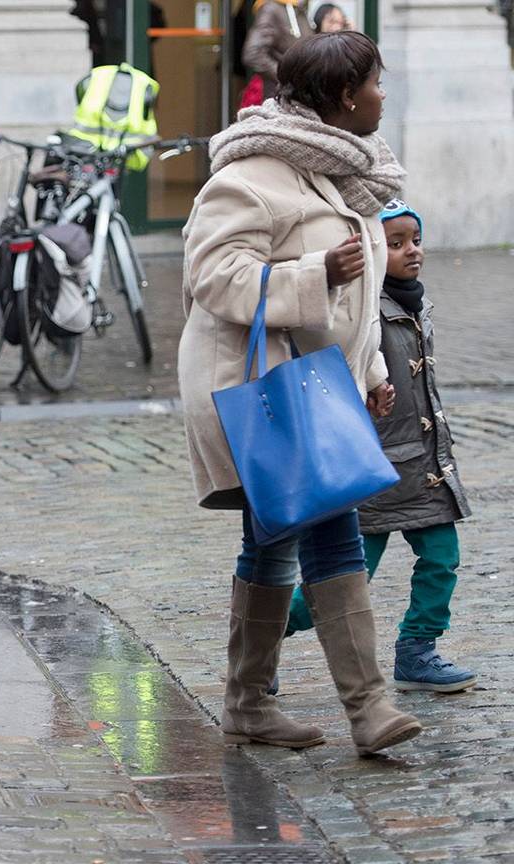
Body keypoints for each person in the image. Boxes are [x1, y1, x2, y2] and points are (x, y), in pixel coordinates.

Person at [178, 32, 422, 755]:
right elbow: (212, 276)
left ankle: (247, 702)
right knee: (330, 532)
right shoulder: (252, 173)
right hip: (265, 393)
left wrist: (371, 376)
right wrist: (315, 272)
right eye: (376, 83)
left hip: (321, 395)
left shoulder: (346, 175)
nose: (383, 96)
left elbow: (360, 298)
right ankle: (369, 708)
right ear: (346, 94)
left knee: (272, 543)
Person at [285, 200, 476, 693]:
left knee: (440, 557)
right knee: (342, 580)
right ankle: (260, 639)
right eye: (395, 244)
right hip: (372, 470)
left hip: (424, 469)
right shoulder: (362, 312)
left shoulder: (416, 306)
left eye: (415, 240)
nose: (411, 251)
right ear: (370, 252)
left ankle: (417, 649)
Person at [243, 0, 313, 100]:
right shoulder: (271, 9)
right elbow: (253, 54)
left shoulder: (298, 9)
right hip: (282, 99)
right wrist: (288, 79)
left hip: (301, 97)